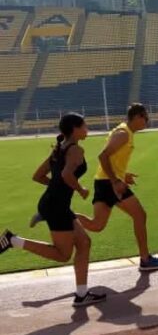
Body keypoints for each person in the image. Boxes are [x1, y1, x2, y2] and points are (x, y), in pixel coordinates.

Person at [1, 113, 104, 307]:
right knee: (62, 254)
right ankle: (13, 241)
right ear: (75, 128)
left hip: (54, 204)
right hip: (56, 206)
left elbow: (38, 176)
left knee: (84, 242)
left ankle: (82, 294)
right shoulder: (75, 150)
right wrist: (80, 189)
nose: (87, 128)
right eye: (84, 125)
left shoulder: (59, 149)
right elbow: (66, 174)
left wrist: (56, 189)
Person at [75, 103, 158, 272]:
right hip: (108, 183)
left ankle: (61, 216)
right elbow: (103, 156)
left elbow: (112, 160)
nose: (147, 121)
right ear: (137, 117)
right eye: (145, 118)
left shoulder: (126, 132)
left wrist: (123, 175)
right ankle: (145, 259)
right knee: (140, 215)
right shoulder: (123, 134)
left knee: (97, 225)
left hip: (103, 181)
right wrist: (115, 181)